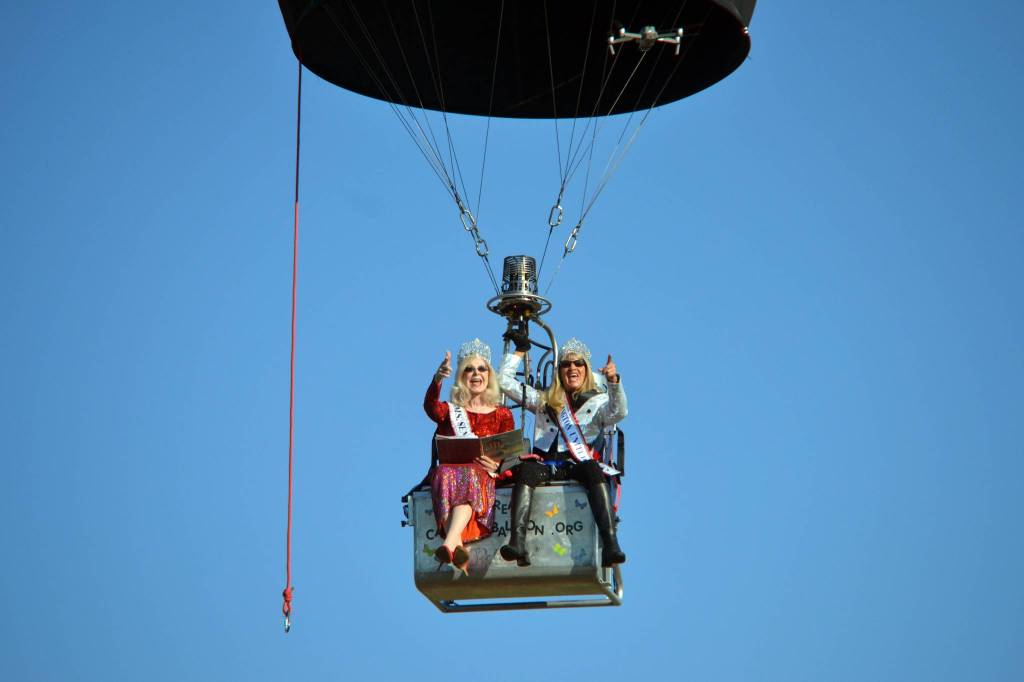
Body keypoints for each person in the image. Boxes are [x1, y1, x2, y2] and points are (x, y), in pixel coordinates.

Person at [498, 334, 627, 568]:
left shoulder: (598, 402)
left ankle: (610, 544)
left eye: (578, 363)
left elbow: (618, 412)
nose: (572, 368)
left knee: (592, 469)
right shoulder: (544, 399)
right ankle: (518, 542)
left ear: (587, 369)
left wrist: (614, 382)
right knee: (526, 470)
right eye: (566, 364)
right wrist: (519, 351)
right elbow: (504, 383)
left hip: (578, 465)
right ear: (559, 371)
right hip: (547, 466)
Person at [424, 338, 514, 575]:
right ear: (462, 376)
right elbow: (431, 408)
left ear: (489, 375)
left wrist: (496, 466)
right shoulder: (450, 410)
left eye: (482, 368)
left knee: (472, 474)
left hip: (483, 476)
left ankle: (450, 543)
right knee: (450, 472)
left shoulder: (502, 414)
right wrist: (437, 379)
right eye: (469, 369)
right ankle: (456, 544)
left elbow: (511, 455)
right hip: (451, 475)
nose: (476, 374)